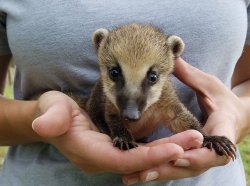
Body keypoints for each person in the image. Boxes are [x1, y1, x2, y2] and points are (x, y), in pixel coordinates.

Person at [0, 0, 249, 185]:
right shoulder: (108, 98)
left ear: (172, 57)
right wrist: (40, 118)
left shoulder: (165, 96)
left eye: (151, 79)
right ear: (100, 46)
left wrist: (225, 125)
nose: (131, 108)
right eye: (116, 76)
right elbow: (111, 115)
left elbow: (179, 117)